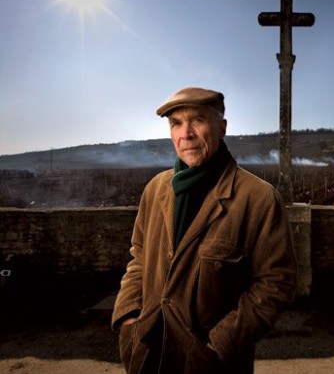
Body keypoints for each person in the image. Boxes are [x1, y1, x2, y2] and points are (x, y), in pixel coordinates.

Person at [112, 87, 297, 374]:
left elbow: (275, 284)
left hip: (209, 364)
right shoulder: (155, 189)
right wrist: (129, 318)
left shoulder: (258, 199)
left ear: (221, 128)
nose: (186, 133)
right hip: (147, 355)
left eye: (197, 120)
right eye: (176, 123)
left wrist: (219, 345)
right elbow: (139, 256)